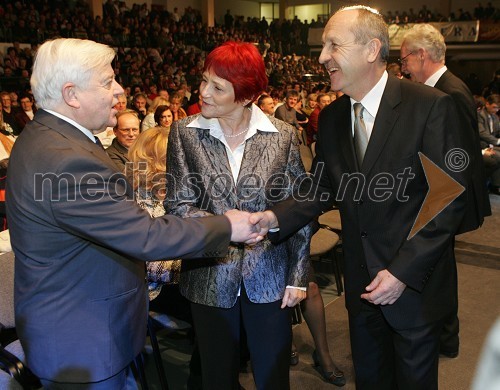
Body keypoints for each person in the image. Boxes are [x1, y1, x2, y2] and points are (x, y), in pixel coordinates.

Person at [6, 38, 265, 389]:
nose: (119, 90)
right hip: (84, 340)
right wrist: (226, 226)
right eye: (107, 81)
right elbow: (146, 236)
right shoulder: (66, 158)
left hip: (85, 328)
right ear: (72, 94)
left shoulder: (50, 137)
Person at [252, 6, 468, 389]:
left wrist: (402, 271)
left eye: (333, 45)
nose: (322, 57)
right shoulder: (334, 117)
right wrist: (273, 218)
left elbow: (447, 199)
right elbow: (319, 187)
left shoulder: (429, 106)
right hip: (361, 290)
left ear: (372, 49)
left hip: (413, 289)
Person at [165, 41, 312, 390]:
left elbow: (301, 208)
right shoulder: (185, 133)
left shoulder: (283, 136)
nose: (203, 92)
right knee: (216, 378)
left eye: (217, 87)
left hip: (271, 277)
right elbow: (178, 207)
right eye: (203, 81)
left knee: (273, 377)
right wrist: (225, 227)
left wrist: (298, 276)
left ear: (246, 96)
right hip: (209, 278)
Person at [401, 23, 491, 358]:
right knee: (441, 269)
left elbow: (456, 158)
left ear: (421, 55)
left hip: (447, 201)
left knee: (442, 273)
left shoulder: (448, 92)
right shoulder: (448, 87)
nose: (404, 68)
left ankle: (446, 338)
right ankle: (444, 335)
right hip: (446, 198)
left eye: (405, 59)